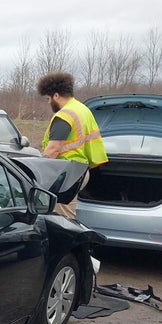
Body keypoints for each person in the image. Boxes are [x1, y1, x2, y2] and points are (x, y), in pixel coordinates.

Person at [36, 72, 108, 218]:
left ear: (56, 95)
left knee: (62, 218)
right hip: (79, 170)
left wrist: (39, 174)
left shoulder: (64, 115)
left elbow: (53, 149)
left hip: (65, 174)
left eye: (48, 99)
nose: (49, 103)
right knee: (67, 213)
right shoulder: (82, 109)